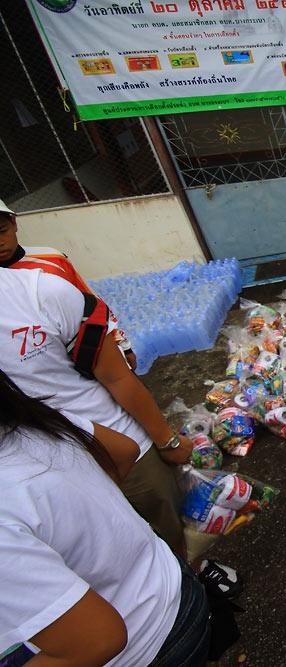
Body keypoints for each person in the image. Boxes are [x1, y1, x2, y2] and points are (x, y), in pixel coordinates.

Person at [0, 267, 240, 597]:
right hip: (38, 478)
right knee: (101, 557)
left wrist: (166, 440)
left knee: (169, 524)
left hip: (121, 444)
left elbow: (118, 376)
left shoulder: (41, 292)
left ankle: (195, 582)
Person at [0, 369, 211, 666]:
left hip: (149, 647)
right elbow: (123, 451)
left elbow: (98, 641)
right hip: (174, 584)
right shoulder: (30, 418)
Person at [0, 198, 137, 370]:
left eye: (2, 231)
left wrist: (122, 344)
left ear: (14, 223)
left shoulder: (52, 260)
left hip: (87, 353)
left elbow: (92, 304)